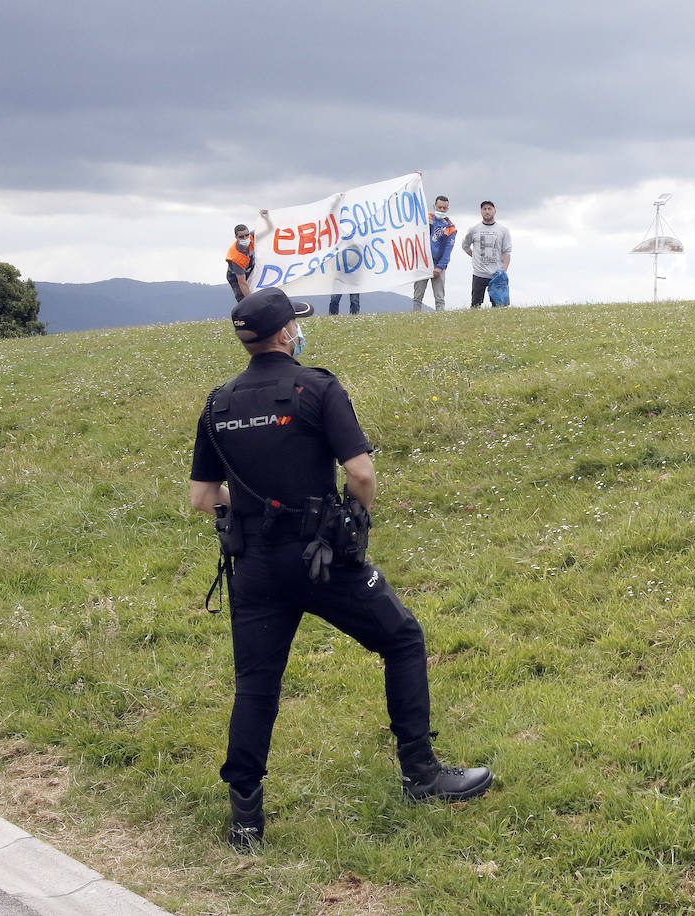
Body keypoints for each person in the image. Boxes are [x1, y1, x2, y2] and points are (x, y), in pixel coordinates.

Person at [188, 287, 492, 851]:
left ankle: (246, 821)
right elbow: (361, 473)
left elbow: (203, 498)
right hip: (321, 559)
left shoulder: (218, 404)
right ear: (284, 334)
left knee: (256, 685)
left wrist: (253, 514)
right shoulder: (316, 387)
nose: (300, 329)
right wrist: (353, 519)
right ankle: (421, 775)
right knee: (401, 638)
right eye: (296, 324)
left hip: (253, 566)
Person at [461, 201, 512, 308]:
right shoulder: (474, 229)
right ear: (481, 211)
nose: (487, 211)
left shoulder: (503, 230)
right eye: (484, 209)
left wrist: (504, 269)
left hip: (496, 274)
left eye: (489, 209)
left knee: (499, 306)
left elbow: (507, 251)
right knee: (475, 304)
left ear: (494, 211)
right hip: (479, 274)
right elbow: (465, 245)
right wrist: (474, 256)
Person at [412, 196, 456, 311]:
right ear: (434, 206)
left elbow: (448, 249)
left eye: (444, 208)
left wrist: (440, 267)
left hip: (438, 265)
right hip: (422, 263)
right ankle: (415, 319)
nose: (441, 210)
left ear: (447, 209)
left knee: (439, 297)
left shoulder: (450, 227)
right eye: (439, 207)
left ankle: (441, 319)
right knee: (417, 296)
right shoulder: (425, 219)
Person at [225, 224, 256, 303]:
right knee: (244, 300)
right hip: (236, 277)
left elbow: (268, 230)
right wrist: (252, 302)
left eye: (247, 235)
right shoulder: (235, 257)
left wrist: (266, 217)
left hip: (251, 269)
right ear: (236, 237)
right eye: (241, 237)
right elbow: (242, 282)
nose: (245, 238)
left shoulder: (253, 236)